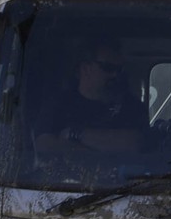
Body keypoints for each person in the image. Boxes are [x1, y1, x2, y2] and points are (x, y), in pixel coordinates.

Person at [33, 42, 147, 171]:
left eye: (119, 69)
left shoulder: (132, 106)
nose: (115, 75)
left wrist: (75, 134)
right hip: (65, 180)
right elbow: (43, 144)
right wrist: (102, 150)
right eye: (108, 68)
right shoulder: (58, 104)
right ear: (85, 68)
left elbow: (134, 143)